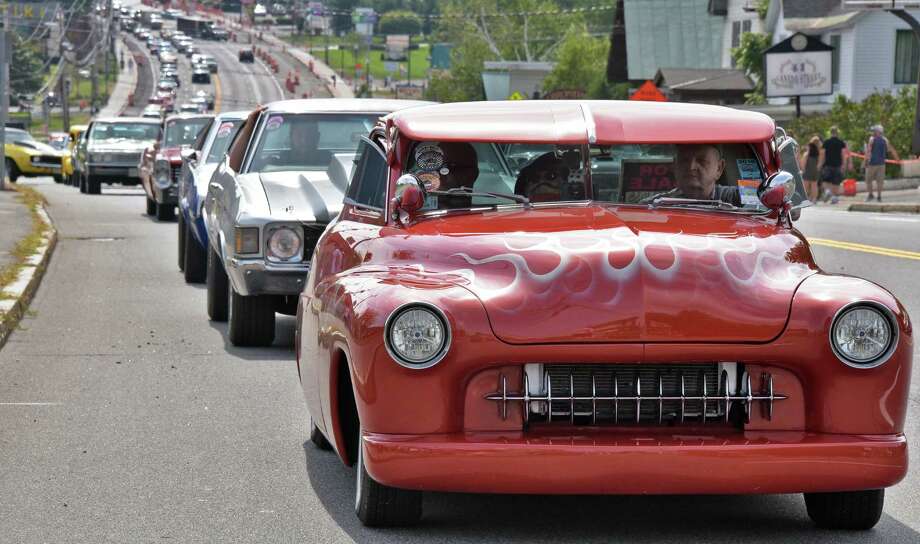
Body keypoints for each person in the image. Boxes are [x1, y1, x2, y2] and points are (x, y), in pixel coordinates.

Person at [411, 141, 479, 208]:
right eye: (438, 168)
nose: (446, 176)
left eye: (456, 169)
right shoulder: (415, 214)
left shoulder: (487, 212)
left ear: (474, 174)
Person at [864, 124, 899, 202]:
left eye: (874, 131)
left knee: (868, 180)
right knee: (880, 181)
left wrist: (865, 161)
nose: (873, 132)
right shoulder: (885, 140)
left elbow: (868, 151)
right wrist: (897, 159)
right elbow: (891, 149)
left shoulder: (872, 139)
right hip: (882, 164)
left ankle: (870, 195)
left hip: (872, 164)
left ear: (877, 131)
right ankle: (879, 197)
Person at [818, 126, 849, 204]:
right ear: (837, 133)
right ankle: (834, 197)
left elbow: (822, 154)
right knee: (836, 182)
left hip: (827, 165)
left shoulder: (826, 142)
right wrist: (844, 164)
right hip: (837, 165)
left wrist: (820, 164)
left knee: (825, 180)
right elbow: (843, 154)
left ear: (830, 133)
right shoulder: (841, 142)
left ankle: (828, 191)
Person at [800, 135, 822, 203]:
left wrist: (803, 169)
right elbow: (819, 163)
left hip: (808, 169)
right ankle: (814, 199)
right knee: (814, 185)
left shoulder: (807, 153)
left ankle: (804, 199)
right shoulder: (819, 153)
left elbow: (804, 162)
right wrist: (817, 169)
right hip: (815, 170)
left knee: (805, 185)